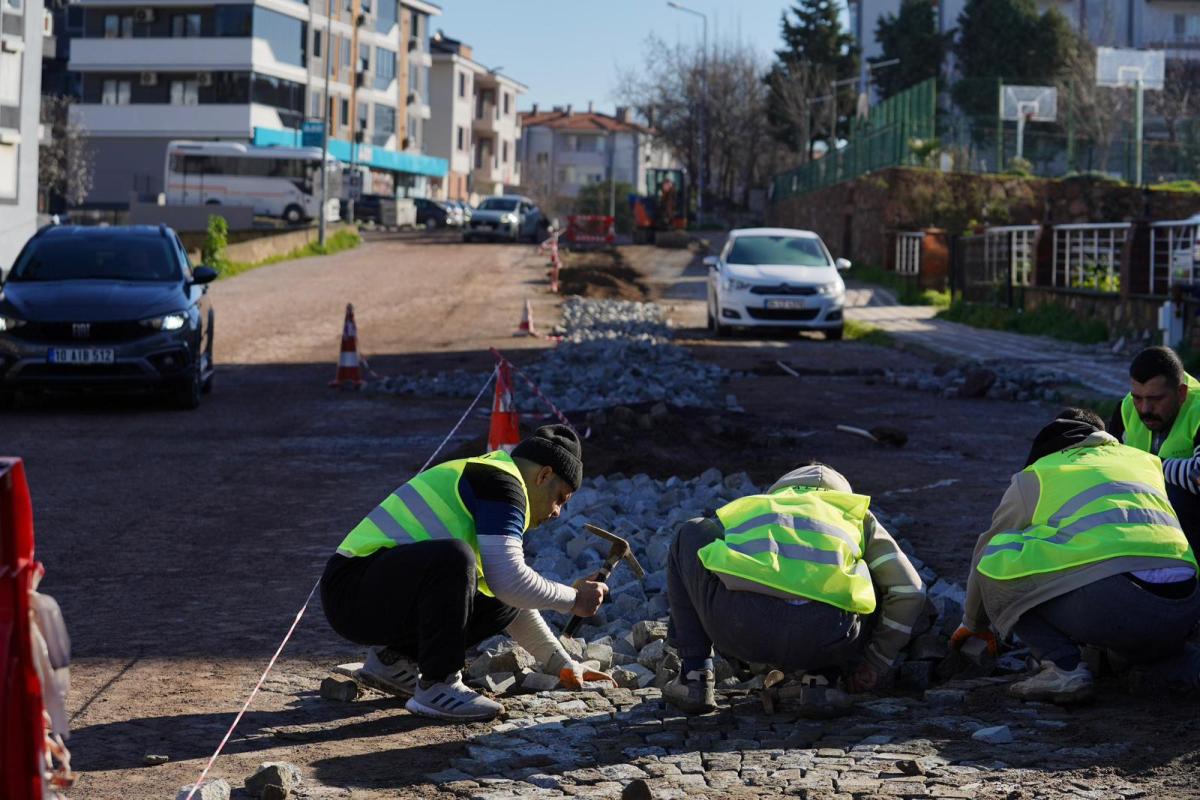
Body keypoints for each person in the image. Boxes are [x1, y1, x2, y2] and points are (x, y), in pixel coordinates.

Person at [320, 425, 608, 721]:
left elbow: (511, 597)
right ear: (544, 475)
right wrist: (575, 599)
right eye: (560, 498)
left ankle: (393, 660)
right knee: (455, 558)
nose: (557, 512)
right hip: (350, 587)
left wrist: (562, 664)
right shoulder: (501, 483)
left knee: (501, 599)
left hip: (366, 591)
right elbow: (510, 579)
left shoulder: (494, 480)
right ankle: (438, 685)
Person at [955, 410, 1200, 704]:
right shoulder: (1144, 461)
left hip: (1118, 608)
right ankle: (1153, 656)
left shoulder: (1041, 472)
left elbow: (986, 550)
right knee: (1107, 563)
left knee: (999, 551)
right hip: (1185, 608)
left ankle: (1063, 668)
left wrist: (973, 623)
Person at [662, 463, 927, 714]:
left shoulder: (756, 507)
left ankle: (694, 677)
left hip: (739, 629)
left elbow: (704, 564)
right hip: (826, 639)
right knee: (869, 572)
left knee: (691, 531)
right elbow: (909, 590)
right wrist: (875, 661)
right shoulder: (855, 516)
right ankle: (822, 683)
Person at [1107, 346, 1200, 547]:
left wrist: (1144, 466)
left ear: (1181, 393)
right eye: (1138, 398)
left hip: (1188, 523)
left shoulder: (1197, 409)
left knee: (1174, 494)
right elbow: (1105, 464)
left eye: (1156, 399)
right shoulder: (1126, 408)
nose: (1145, 409)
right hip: (1145, 518)